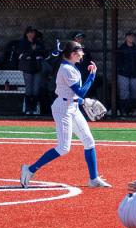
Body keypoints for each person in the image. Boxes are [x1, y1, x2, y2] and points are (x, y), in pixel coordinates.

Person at [20, 40, 111, 189]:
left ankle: (93, 178)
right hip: (63, 109)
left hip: (72, 106)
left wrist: (82, 102)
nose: (82, 53)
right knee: (63, 148)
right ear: (73, 53)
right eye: (80, 51)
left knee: (89, 141)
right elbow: (79, 91)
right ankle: (30, 169)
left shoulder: (72, 67)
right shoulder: (67, 69)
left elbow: (72, 94)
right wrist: (92, 76)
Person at [16, 27, 46, 116]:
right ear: (26, 34)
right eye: (29, 32)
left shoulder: (39, 43)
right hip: (27, 68)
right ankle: (28, 109)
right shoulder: (23, 43)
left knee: (36, 89)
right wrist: (31, 51)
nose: (31, 34)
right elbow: (21, 55)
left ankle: (34, 108)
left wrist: (36, 54)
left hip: (37, 68)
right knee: (29, 89)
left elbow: (43, 53)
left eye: (32, 33)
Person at [116, 30, 136, 116]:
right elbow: (118, 61)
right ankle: (124, 111)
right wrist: (122, 69)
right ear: (126, 37)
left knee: (134, 92)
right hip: (124, 74)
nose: (132, 38)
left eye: (133, 36)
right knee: (124, 92)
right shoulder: (121, 48)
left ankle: (133, 110)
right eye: (130, 36)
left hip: (135, 74)